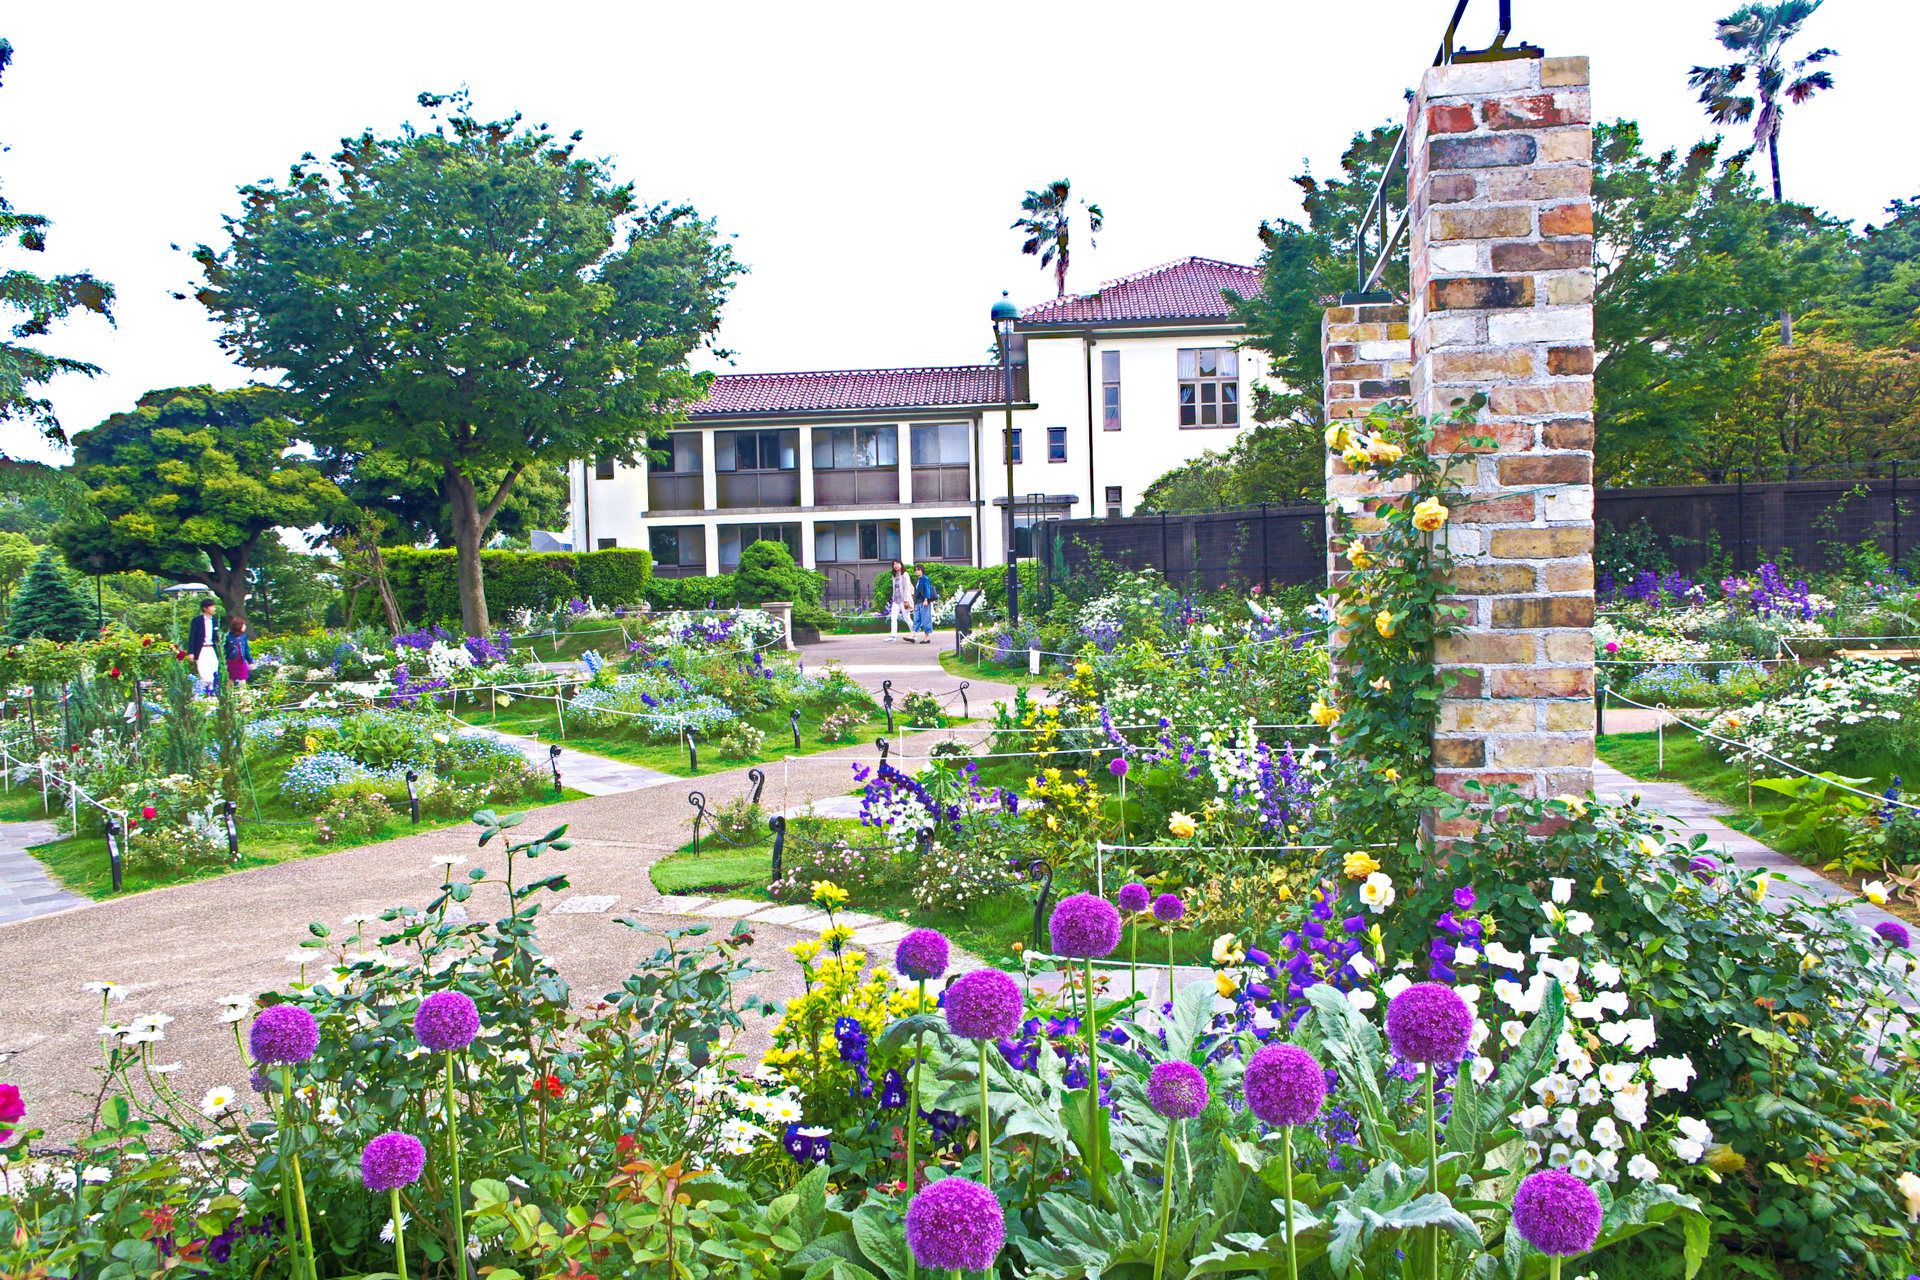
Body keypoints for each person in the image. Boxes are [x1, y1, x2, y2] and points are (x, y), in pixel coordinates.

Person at [186, 599, 222, 693]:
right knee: (203, 670)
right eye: (212, 607)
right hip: (201, 648)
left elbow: (217, 637)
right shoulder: (197, 620)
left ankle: (213, 690)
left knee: (214, 667)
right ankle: (205, 691)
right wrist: (191, 652)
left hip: (212, 648)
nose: (214, 609)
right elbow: (192, 636)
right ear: (205, 608)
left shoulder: (215, 621)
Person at [887, 559, 913, 640]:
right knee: (893, 618)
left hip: (903, 600)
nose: (896, 565)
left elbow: (907, 588)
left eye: (897, 563)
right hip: (896, 600)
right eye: (894, 564)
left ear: (901, 564)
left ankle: (914, 633)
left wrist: (906, 600)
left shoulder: (905, 574)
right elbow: (895, 588)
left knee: (907, 618)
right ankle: (893, 636)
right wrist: (893, 598)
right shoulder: (894, 576)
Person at [224, 616, 253, 687]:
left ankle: (243, 696)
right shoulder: (227, 636)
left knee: (243, 680)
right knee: (230, 680)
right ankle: (228, 696)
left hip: (241, 661)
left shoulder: (244, 637)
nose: (245, 627)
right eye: (243, 625)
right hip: (231, 661)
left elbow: (246, 650)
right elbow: (223, 650)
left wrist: (250, 662)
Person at [912, 564, 936, 644]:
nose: (916, 571)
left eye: (918, 570)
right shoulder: (917, 580)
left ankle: (927, 637)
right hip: (918, 602)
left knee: (926, 620)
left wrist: (926, 599)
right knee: (916, 619)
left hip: (924, 602)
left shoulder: (925, 579)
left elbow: (927, 589)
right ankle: (912, 635)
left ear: (922, 570)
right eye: (915, 570)